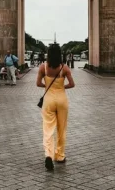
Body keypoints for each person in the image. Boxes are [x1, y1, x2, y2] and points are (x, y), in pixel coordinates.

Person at [37, 43, 75, 171]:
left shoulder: (43, 67)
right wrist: (61, 87)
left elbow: (38, 83)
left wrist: (48, 86)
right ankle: (60, 156)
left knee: (48, 128)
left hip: (48, 101)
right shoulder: (64, 68)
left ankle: (49, 154)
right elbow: (72, 84)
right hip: (62, 100)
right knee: (61, 129)